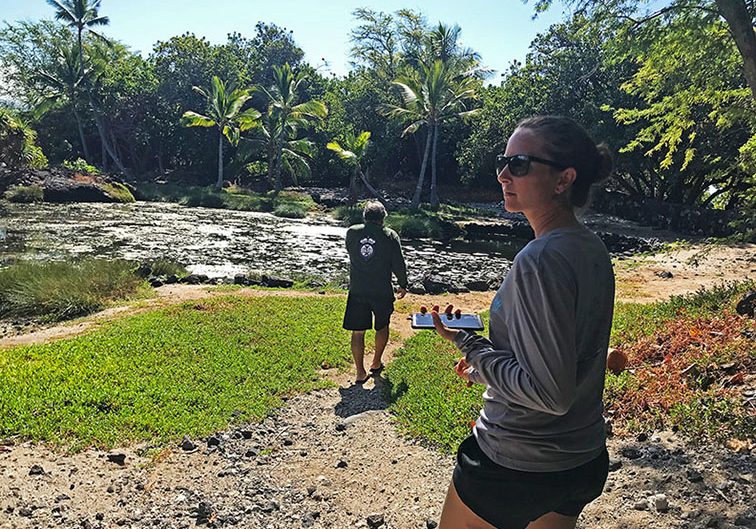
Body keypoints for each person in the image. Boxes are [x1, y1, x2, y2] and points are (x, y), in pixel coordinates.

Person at [431, 116, 615, 529]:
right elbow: (563, 357)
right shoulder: (591, 248)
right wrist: (486, 368)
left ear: (563, 179)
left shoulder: (540, 258)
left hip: (516, 464)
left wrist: (474, 347)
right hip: (579, 458)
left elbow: (550, 394)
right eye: (503, 162)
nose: (502, 175)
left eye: (519, 164)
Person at [343, 201, 408, 384]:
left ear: (365, 216)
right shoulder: (390, 235)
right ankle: (376, 361)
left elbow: (350, 251)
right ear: (383, 218)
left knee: (357, 332)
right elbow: (398, 263)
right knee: (382, 326)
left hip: (357, 290)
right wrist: (403, 284)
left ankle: (359, 372)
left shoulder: (352, 232)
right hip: (381, 291)